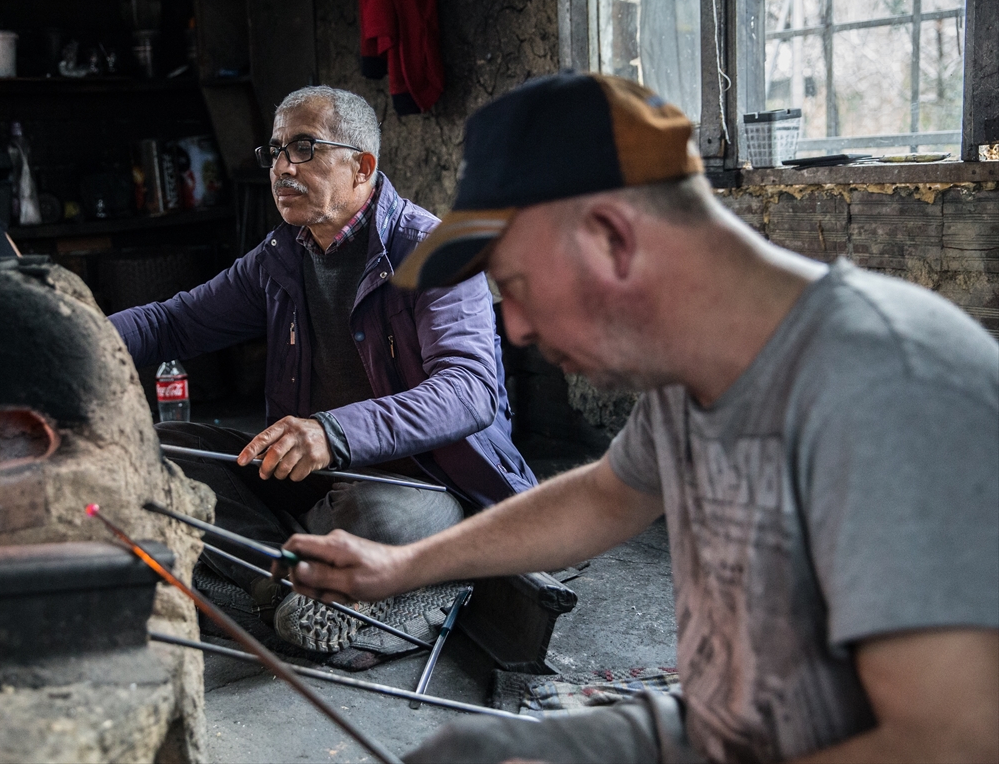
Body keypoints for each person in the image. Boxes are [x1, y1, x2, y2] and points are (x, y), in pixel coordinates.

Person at [276, 73, 999, 762]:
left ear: (612, 239)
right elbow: (607, 493)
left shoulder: (890, 388)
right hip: (726, 727)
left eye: (518, 286)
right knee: (467, 753)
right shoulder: (697, 373)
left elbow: (950, 743)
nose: (517, 327)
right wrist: (399, 564)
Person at [109, 85, 536, 653]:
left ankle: (272, 572)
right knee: (165, 449)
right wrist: (77, 335)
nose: (282, 166)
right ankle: (295, 584)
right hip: (310, 480)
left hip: (420, 481)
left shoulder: (433, 250)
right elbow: (172, 322)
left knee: (381, 517)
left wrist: (332, 432)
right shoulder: (282, 255)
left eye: (304, 147)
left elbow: (469, 389)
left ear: (361, 166)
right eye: (277, 151)